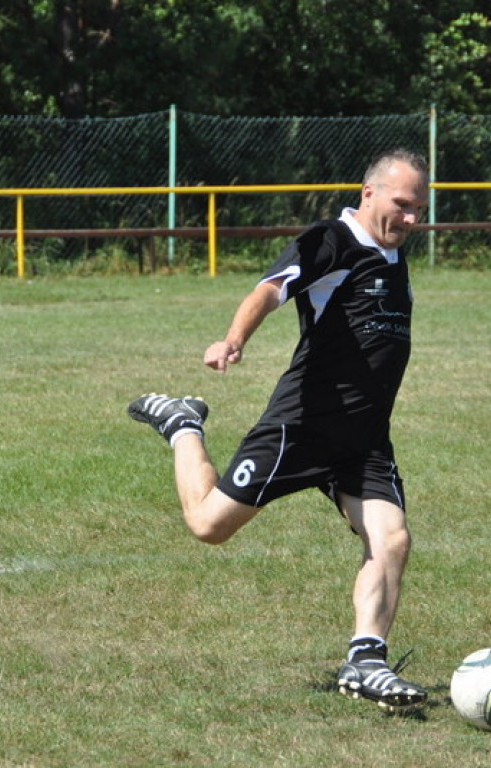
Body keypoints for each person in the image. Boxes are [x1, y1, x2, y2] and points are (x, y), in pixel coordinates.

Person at [128, 148, 431, 712]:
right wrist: (234, 339)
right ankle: (183, 424)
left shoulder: (390, 252)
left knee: (391, 538)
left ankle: (367, 660)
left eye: (420, 209)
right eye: (403, 205)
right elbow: (270, 289)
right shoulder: (330, 242)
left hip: (364, 437)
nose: (413, 220)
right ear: (369, 194)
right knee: (209, 526)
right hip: (303, 425)